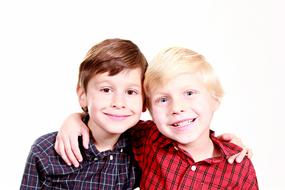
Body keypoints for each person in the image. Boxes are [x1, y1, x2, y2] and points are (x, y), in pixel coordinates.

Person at [55, 47, 257, 189]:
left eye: (189, 93)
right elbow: (113, 120)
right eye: (162, 100)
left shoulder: (238, 166)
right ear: (148, 108)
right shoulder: (149, 138)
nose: (177, 108)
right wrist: (76, 118)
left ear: (215, 99)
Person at [20, 38, 148, 189]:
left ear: (145, 101)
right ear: (83, 96)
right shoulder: (45, 152)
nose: (118, 103)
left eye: (131, 92)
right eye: (106, 90)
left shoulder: (144, 147)